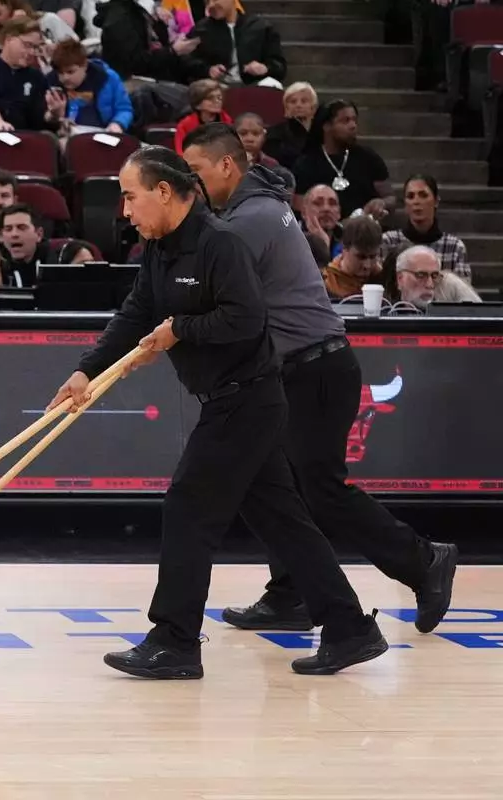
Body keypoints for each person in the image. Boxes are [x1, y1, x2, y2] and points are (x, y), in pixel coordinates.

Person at [47, 145, 387, 678]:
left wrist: (180, 330)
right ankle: (350, 627)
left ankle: (175, 641)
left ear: (164, 192)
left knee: (188, 507)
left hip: (246, 398)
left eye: (131, 197)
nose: (126, 212)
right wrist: (86, 370)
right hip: (233, 399)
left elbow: (246, 319)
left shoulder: (220, 243)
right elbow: (136, 312)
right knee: (283, 521)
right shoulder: (159, 249)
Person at [182, 123, 457, 635]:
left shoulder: (250, 219)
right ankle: (292, 592)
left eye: (195, 170)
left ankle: (423, 561)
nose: (190, 181)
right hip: (299, 368)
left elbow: (205, 290)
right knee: (271, 484)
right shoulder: (259, 206)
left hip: (314, 368)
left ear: (226, 165)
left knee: (320, 489)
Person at [380, 174, 471, 282]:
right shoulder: (389, 241)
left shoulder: (454, 247)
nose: (416, 201)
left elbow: (462, 290)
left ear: (436, 201)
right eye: (410, 196)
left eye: (423, 195)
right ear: (405, 204)